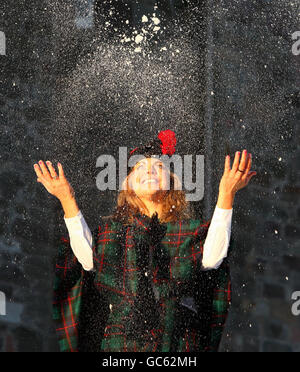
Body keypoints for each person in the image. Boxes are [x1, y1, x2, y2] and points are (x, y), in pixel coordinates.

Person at [33, 130, 257, 352]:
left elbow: (212, 258)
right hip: (120, 348)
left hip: (178, 344)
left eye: (159, 167)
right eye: (140, 167)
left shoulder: (190, 232)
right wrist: (67, 198)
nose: (150, 169)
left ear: (171, 182)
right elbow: (89, 259)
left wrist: (226, 193)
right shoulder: (115, 233)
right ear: (128, 184)